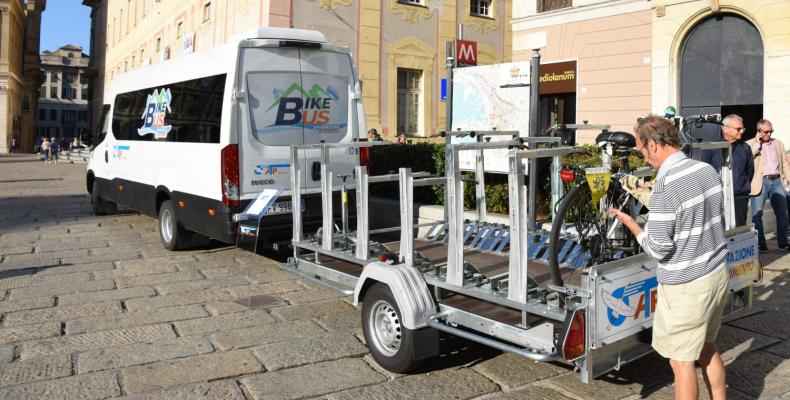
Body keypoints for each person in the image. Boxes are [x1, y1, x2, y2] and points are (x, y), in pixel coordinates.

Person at [610, 116, 729, 400]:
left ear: (653, 144)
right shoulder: (706, 170)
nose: (642, 155)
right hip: (716, 273)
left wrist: (633, 226)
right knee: (706, 347)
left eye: (641, 149)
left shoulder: (665, 184)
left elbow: (659, 248)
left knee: (680, 361)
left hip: (686, 287)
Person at [747, 119, 790, 252]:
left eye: (771, 131)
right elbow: (749, 158)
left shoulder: (778, 143)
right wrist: (757, 143)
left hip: (777, 181)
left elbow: (784, 163)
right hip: (760, 182)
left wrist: (788, 179)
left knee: (783, 213)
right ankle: (761, 244)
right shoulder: (749, 144)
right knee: (757, 215)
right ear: (759, 131)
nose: (769, 134)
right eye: (766, 131)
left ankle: (783, 243)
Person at [721, 115, 754, 227]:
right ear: (725, 128)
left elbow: (750, 171)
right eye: (738, 129)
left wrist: (742, 186)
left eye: (742, 129)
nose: (742, 131)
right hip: (719, 197)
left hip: (739, 196)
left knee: (738, 230)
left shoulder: (745, 148)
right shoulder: (712, 147)